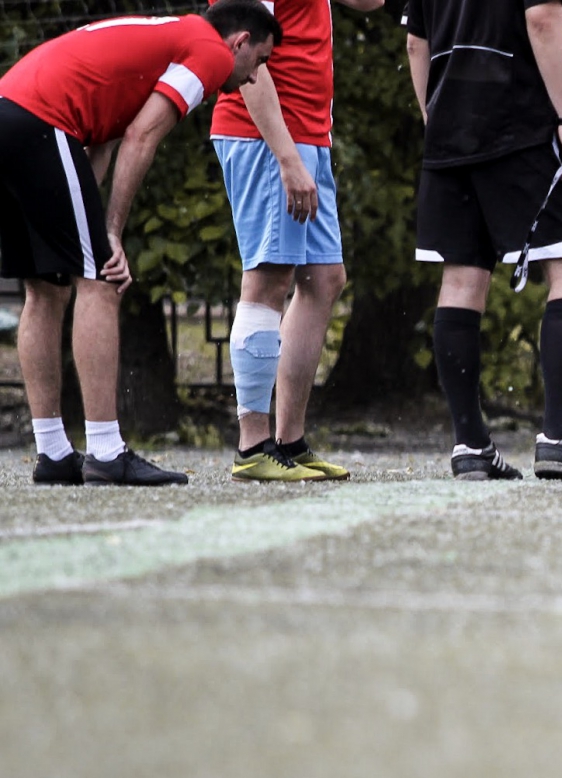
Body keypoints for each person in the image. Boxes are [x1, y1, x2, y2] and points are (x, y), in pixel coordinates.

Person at [1, 1, 279, 486]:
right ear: (238, 42)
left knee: (46, 289)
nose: (254, 78)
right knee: (101, 280)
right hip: (42, 120)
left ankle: (53, 453)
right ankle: (107, 452)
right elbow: (141, 137)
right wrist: (110, 235)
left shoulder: (164, 41)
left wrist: (87, 228)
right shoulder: (209, 53)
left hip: (12, 112)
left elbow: (103, 141)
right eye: (258, 61)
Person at [406, 0, 562, 480]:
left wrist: (435, 115)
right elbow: (541, 17)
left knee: (462, 277)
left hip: (449, 124)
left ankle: (470, 445)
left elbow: (415, 42)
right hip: (521, 120)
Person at [211, 0, 383, 483]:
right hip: (268, 137)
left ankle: (289, 442)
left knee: (324, 279)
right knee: (268, 279)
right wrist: (286, 158)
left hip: (310, 134)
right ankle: (253, 445)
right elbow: (242, 55)